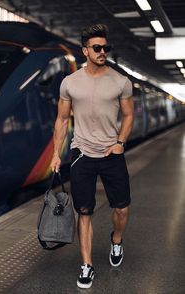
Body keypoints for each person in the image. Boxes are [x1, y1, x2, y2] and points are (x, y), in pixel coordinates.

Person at [50, 23, 134, 289]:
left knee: (121, 208)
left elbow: (129, 115)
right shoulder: (70, 83)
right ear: (85, 50)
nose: (102, 52)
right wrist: (55, 154)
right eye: (97, 48)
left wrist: (121, 142)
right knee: (83, 211)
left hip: (112, 153)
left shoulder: (121, 81)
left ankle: (117, 240)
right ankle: (87, 265)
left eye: (105, 48)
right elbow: (62, 120)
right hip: (82, 154)